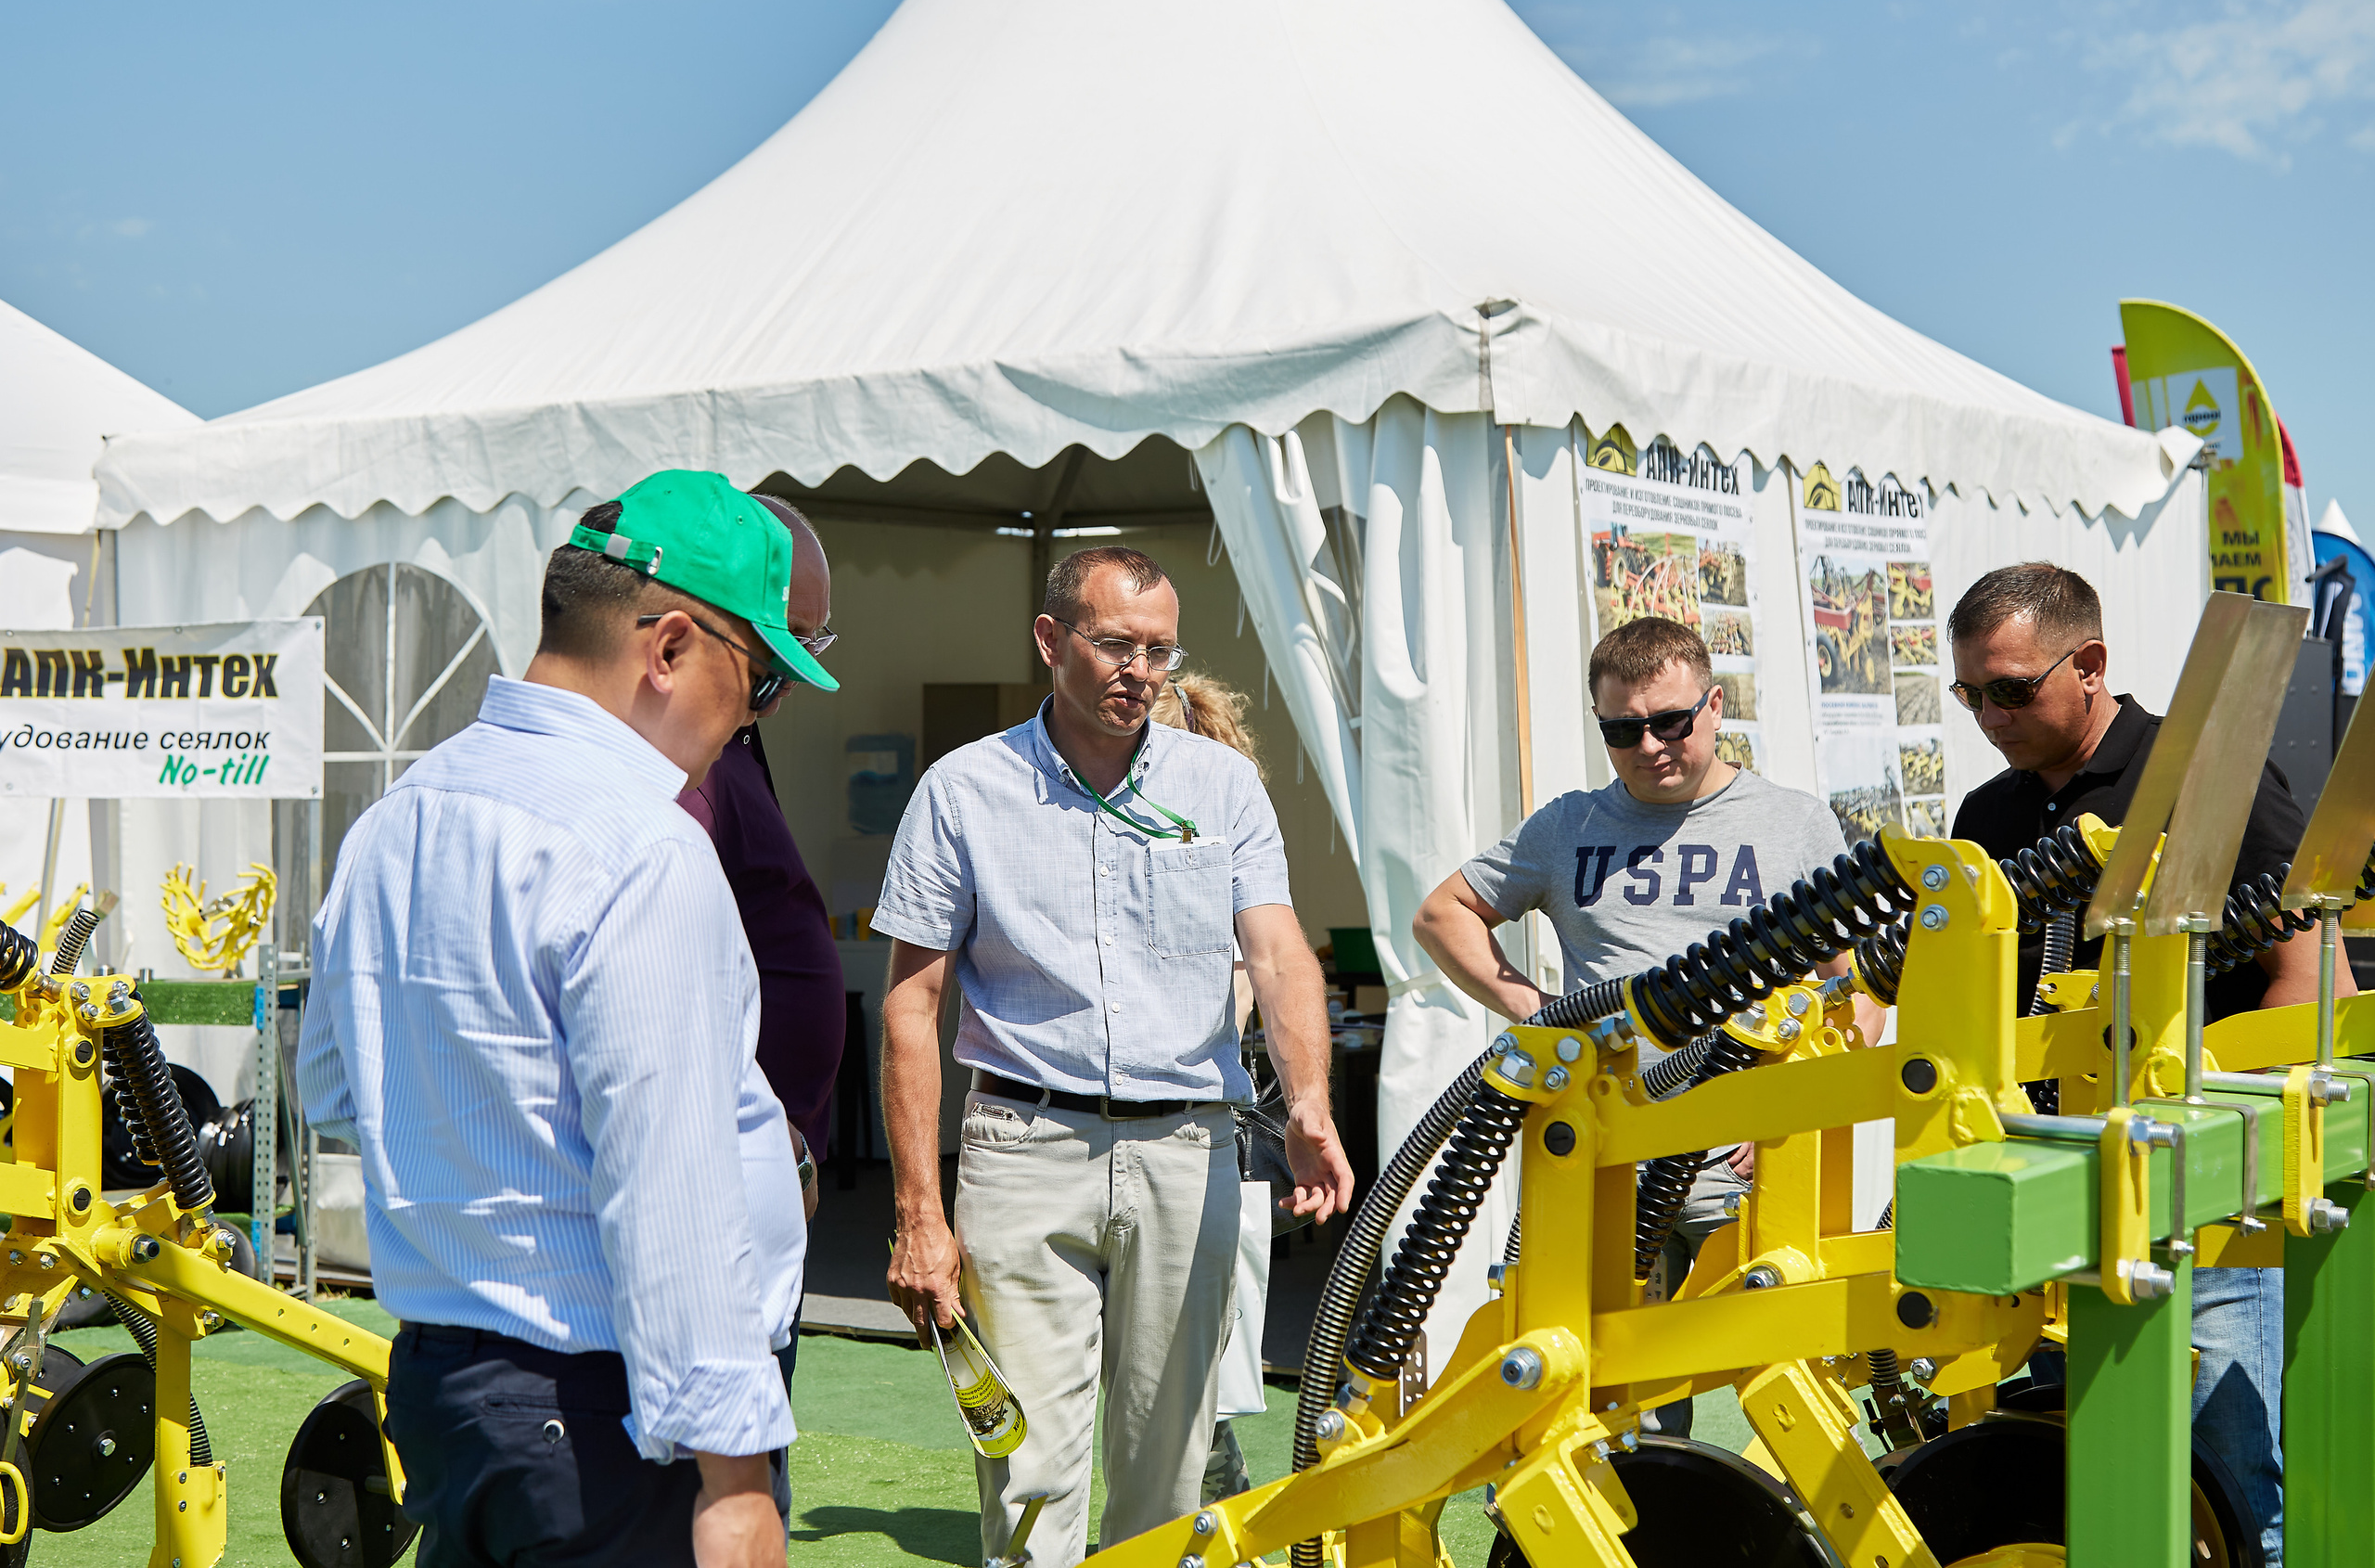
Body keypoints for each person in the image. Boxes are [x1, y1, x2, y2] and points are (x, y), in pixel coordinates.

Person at [297, 469, 839, 1568]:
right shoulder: (642, 845)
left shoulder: (400, 815)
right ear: (670, 647)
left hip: (451, 1390)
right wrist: (734, 1477)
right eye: (764, 679)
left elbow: (336, 1087)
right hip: (614, 1422)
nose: (750, 724)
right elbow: (667, 1183)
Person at [874, 547, 1356, 1568]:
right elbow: (911, 1009)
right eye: (1114, 644)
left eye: (1159, 650)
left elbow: (1276, 953)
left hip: (1191, 1145)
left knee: (1169, 1467)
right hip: (1019, 1142)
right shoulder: (961, 790)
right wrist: (919, 1213)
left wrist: (1308, 1102)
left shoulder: (1221, 787)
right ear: (1050, 641)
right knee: (1029, 1473)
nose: (1140, 670)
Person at [1946, 561, 2352, 1567]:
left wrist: (2198, 1131)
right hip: (2041, 1181)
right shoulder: (1986, 820)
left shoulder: (2207, 775)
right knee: (2035, 1452)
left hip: (2189, 1187)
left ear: (2088, 665)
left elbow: (2312, 977)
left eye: (2010, 689)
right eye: (1968, 694)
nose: (1988, 715)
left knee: (2224, 1460)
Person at [1412, 615, 1881, 1436]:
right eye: (1624, 730)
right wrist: (1540, 1015)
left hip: (1741, 1159)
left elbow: (1858, 993)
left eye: (1671, 721)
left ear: (1716, 705)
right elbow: (1442, 913)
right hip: (1595, 1151)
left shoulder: (1792, 822)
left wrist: (1787, 1105)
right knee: (1596, 1394)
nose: (1651, 745)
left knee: (1792, 1381)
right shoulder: (1569, 826)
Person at [674, 495, 842, 1386]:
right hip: (719, 1199)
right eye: (773, 663)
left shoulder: (724, 748)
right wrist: (782, 1140)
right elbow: (667, 984)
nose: (777, 699)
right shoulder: (682, 773)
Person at [1148, 671, 1270, 1506]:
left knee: (1193, 1356)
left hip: (1201, 1120)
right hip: (1189, 1116)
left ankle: (1213, 1519)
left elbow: (1245, 981)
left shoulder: (1219, 827)